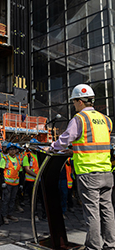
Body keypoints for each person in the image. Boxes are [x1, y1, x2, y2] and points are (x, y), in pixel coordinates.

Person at [49, 83, 115, 250]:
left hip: (88, 173)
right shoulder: (106, 120)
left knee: (92, 213)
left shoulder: (79, 119)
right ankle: (110, 245)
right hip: (107, 172)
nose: (73, 105)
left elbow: (65, 139)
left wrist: (52, 147)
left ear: (79, 101)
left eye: (73, 102)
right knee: (107, 211)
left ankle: (93, 247)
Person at [0, 142, 23, 224]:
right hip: (7, 183)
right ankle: (4, 216)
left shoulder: (18, 160)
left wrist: (21, 184)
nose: (13, 151)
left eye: (14, 149)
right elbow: (1, 171)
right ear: (8, 150)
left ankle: (10, 214)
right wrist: (2, 182)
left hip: (15, 184)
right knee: (6, 200)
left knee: (12, 200)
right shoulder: (4, 159)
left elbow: (20, 172)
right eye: (11, 149)